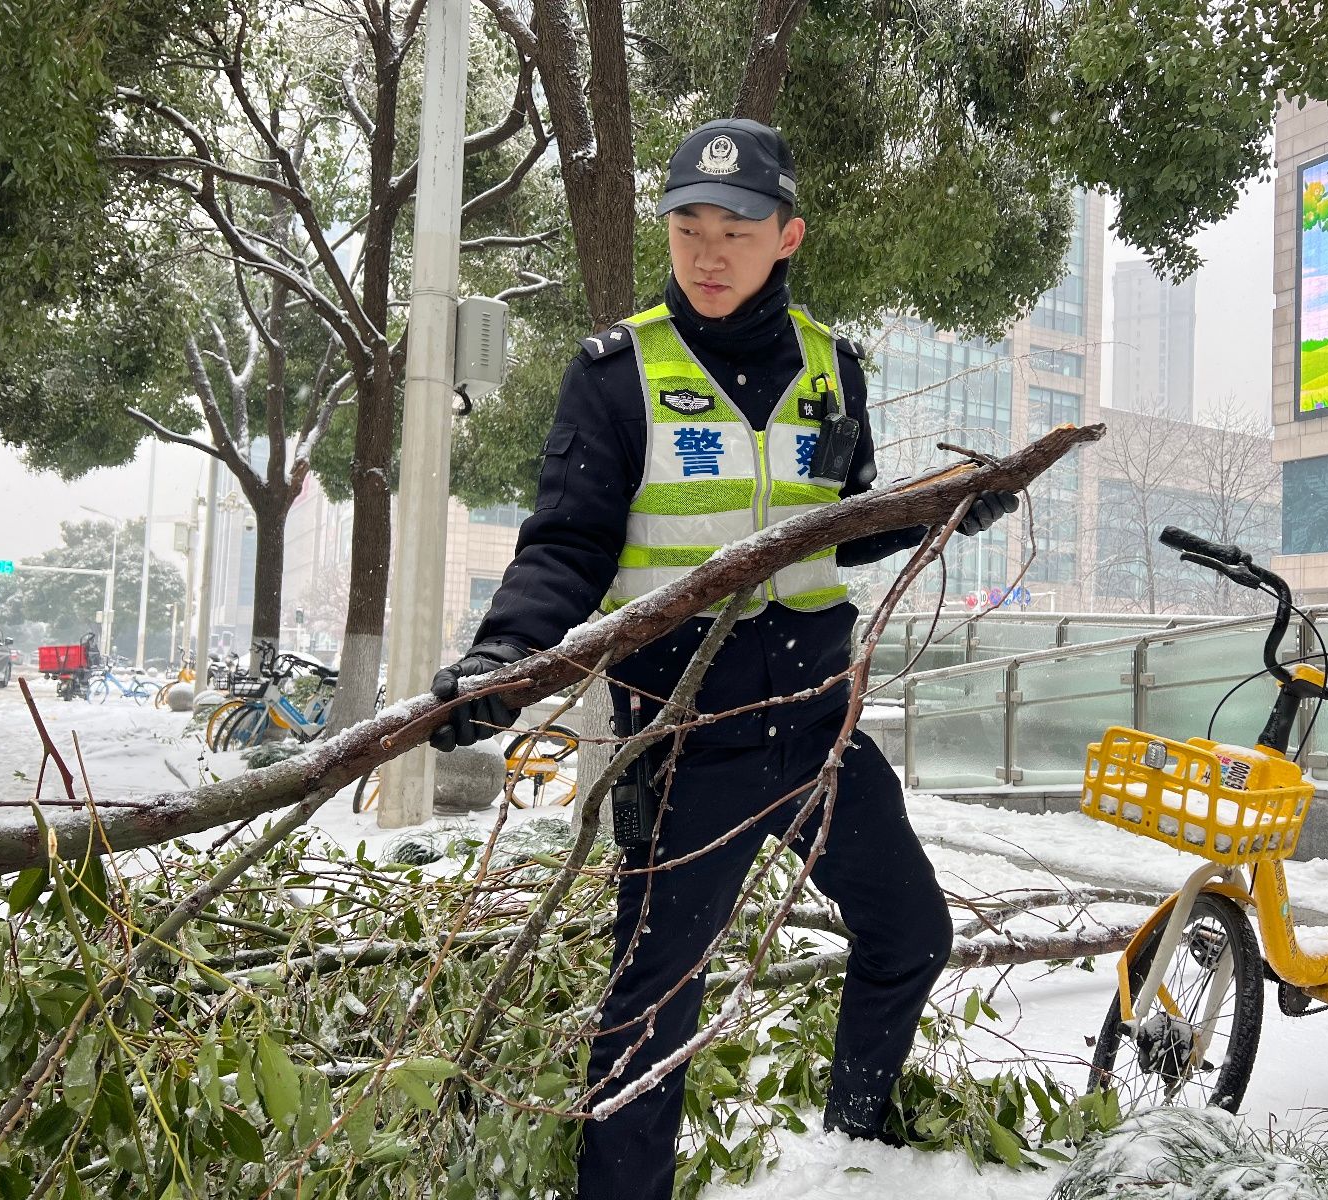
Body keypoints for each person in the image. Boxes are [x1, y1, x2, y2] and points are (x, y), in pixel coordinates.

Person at [429, 118, 1018, 1200]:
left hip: (815, 723)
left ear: (785, 236)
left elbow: (840, 522)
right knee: (652, 1009)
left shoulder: (834, 368)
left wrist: (944, 510)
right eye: (687, 227)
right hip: (681, 734)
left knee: (910, 931)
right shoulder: (617, 374)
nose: (706, 252)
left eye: (734, 230)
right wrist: (504, 654)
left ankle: (852, 1146)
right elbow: (567, 542)